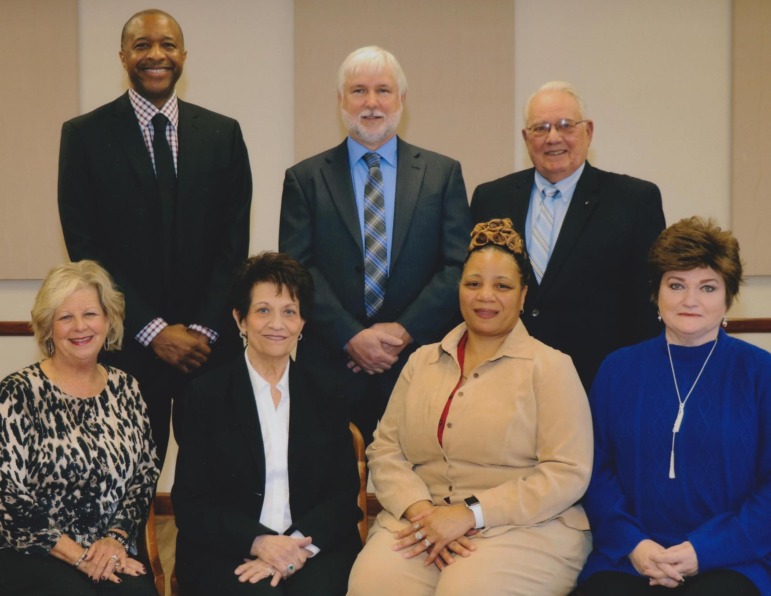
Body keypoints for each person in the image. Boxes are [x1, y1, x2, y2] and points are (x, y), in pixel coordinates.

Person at [347, 219, 593, 595]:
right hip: (420, 521)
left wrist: (470, 513)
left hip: (524, 528)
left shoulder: (551, 367)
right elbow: (386, 449)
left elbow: (566, 472)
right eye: (473, 283)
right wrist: (421, 512)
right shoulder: (421, 362)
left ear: (523, 296)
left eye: (502, 286)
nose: (485, 296)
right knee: (373, 583)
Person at [58, 9, 252, 461]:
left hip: (209, 351)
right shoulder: (84, 136)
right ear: (123, 56)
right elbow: (87, 249)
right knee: (124, 484)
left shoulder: (223, 133)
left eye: (167, 44)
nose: (156, 55)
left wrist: (202, 328)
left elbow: (233, 240)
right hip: (129, 349)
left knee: (215, 484)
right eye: (142, 45)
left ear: (183, 55)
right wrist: (154, 330)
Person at [279, 46, 471, 443]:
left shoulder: (443, 174)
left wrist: (402, 331)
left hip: (418, 363)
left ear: (402, 99)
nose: (371, 103)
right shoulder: (305, 178)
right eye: (358, 91)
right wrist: (352, 336)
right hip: (332, 367)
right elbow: (297, 269)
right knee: (330, 491)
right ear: (340, 100)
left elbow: (457, 267)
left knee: (418, 490)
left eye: (383, 90)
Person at [578, 217, 771, 595]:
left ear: (728, 296)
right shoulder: (617, 369)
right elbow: (594, 472)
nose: (690, 300)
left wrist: (705, 550)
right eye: (676, 284)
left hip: (732, 559)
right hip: (629, 558)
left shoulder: (760, 372)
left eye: (708, 287)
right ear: (657, 292)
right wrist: (635, 545)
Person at [172, 252, 362, 596]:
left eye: (289, 311)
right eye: (263, 311)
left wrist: (294, 549)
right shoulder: (206, 394)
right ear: (240, 320)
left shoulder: (327, 390)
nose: (277, 324)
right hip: (228, 549)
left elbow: (343, 495)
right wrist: (259, 542)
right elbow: (191, 502)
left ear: (303, 322)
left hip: (312, 545)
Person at [470, 81, 665, 390]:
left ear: (588, 131)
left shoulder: (633, 200)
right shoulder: (490, 198)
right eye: (540, 128)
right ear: (525, 137)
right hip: (503, 380)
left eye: (565, 125)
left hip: (598, 381)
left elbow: (647, 301)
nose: (553, 137)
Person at [0, 260, 159, 595]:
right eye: (65, 317)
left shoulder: (126, 388)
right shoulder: (18, 393)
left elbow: (144, 475)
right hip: (32, 550)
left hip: (107, 549)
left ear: (108, 320)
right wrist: (80, 556)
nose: (79, 327)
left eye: (89, 314)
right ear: (47, 327)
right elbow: (7, 495)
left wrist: (116, 539)